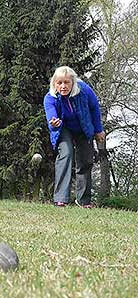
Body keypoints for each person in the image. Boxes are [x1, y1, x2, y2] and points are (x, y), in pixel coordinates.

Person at [43, 66, 105, 208]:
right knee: (66, 152)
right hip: (63, 127)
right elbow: (51, 117)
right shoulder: (50, 98)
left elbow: (94, 108)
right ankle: (61, 198)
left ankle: (83, 200)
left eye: (67, 82)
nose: (63, 86)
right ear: (54, 83)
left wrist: (98, 130)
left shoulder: (84, 90)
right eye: (59, 83)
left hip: (83, 126)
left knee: (86, 159)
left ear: (73, 82)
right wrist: (54, 123)